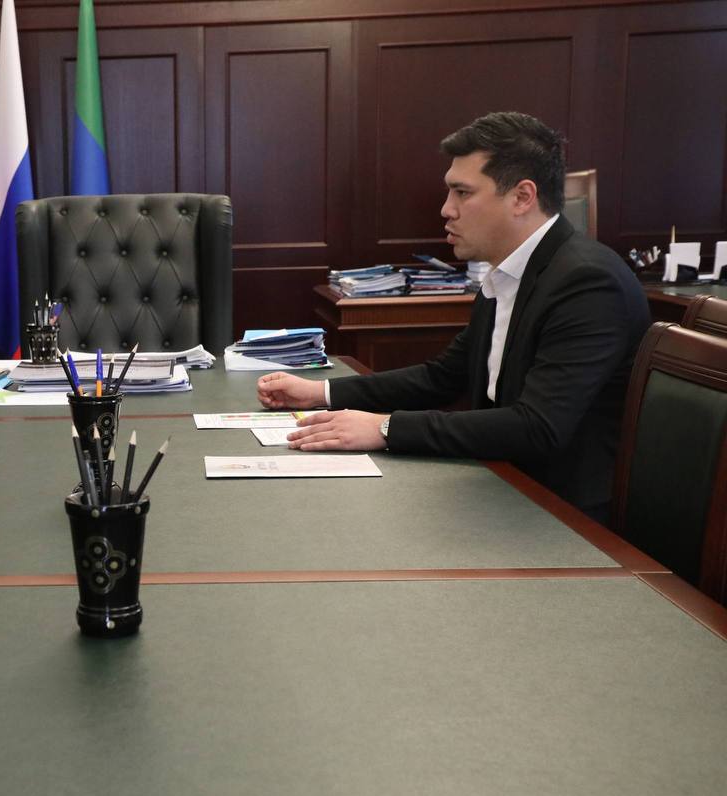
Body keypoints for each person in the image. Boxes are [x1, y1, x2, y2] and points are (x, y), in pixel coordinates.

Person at [257, 112, 650, 522]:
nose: (446, 209)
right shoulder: (509, 271)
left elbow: (538, 427)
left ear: (521, 197)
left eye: (462, 193)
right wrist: (320, 393)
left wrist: (386, 428)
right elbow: (443, 377)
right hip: (502, 486)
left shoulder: (587, 282)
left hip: (564, 517)